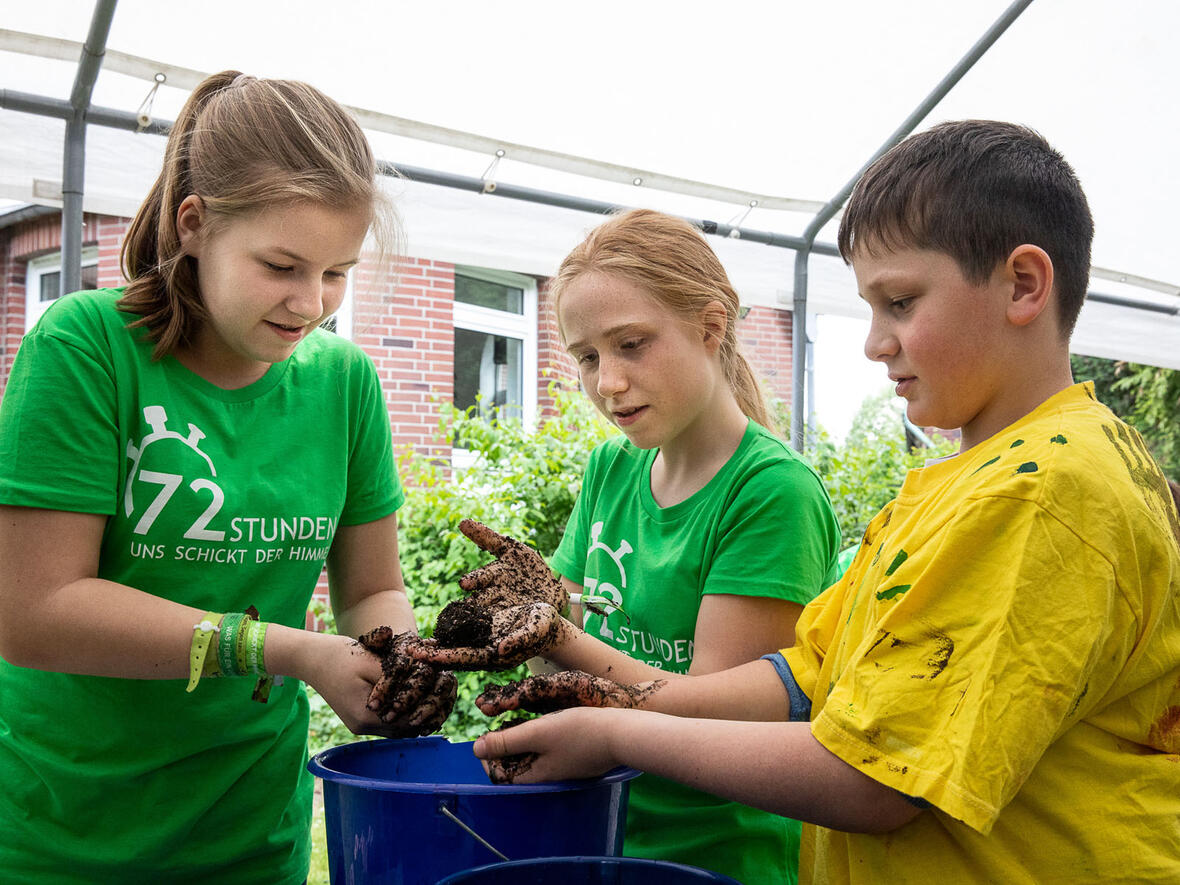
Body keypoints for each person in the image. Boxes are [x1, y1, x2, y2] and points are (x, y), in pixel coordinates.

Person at [419, 121, 1180, 883]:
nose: (874, 341)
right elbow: (805, 674)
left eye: (901, 301)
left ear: (1022, 284)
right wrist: (596, 674)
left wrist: (617, 728)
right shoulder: (972, 481)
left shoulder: (1041, 493)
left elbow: (878, 778)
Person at [0, 71, 454, 884]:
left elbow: (373, 591)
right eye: (281, 265)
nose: (310, 302)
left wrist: (399, 663)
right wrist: (282, 648)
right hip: (62, 836)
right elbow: (34, 610)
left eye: (336, 272)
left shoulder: (343, 384)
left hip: (252, 839)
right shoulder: (84, 349)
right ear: (196, 224)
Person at [466, 209, 844, 883]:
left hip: (714, 854)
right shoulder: (611, 470)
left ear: (711, 326)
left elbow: (712, 716)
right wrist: (520, 621)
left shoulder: (771, 493)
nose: (607, 382)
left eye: (631, 344)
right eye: (587, 357)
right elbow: (562, 641)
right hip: (598, 828)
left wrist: (551, 628)